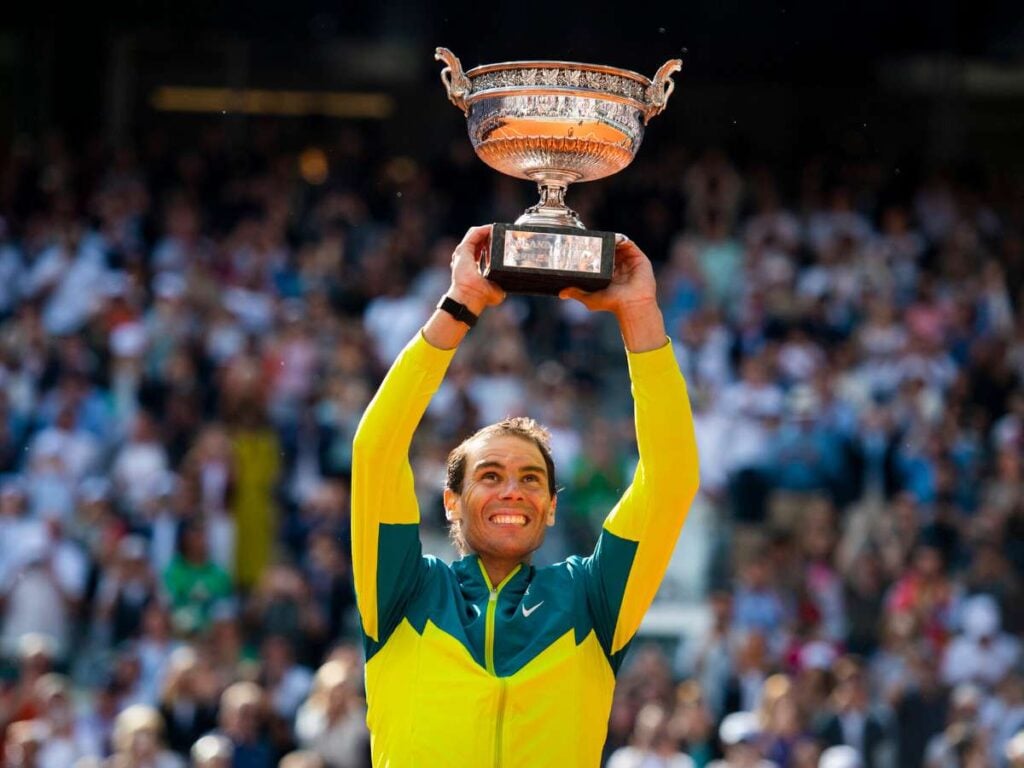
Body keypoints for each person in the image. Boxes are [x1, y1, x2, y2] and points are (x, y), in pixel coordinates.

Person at [352, 226, 699, 765]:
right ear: (451, 501)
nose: (513, 490)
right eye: (489, 476)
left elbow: (672, 477)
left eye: (531, 479)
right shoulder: (402, 590)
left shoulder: (591, 596)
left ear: (552, 505)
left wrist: (639, 316)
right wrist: (459, 305)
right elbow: (377, 450)